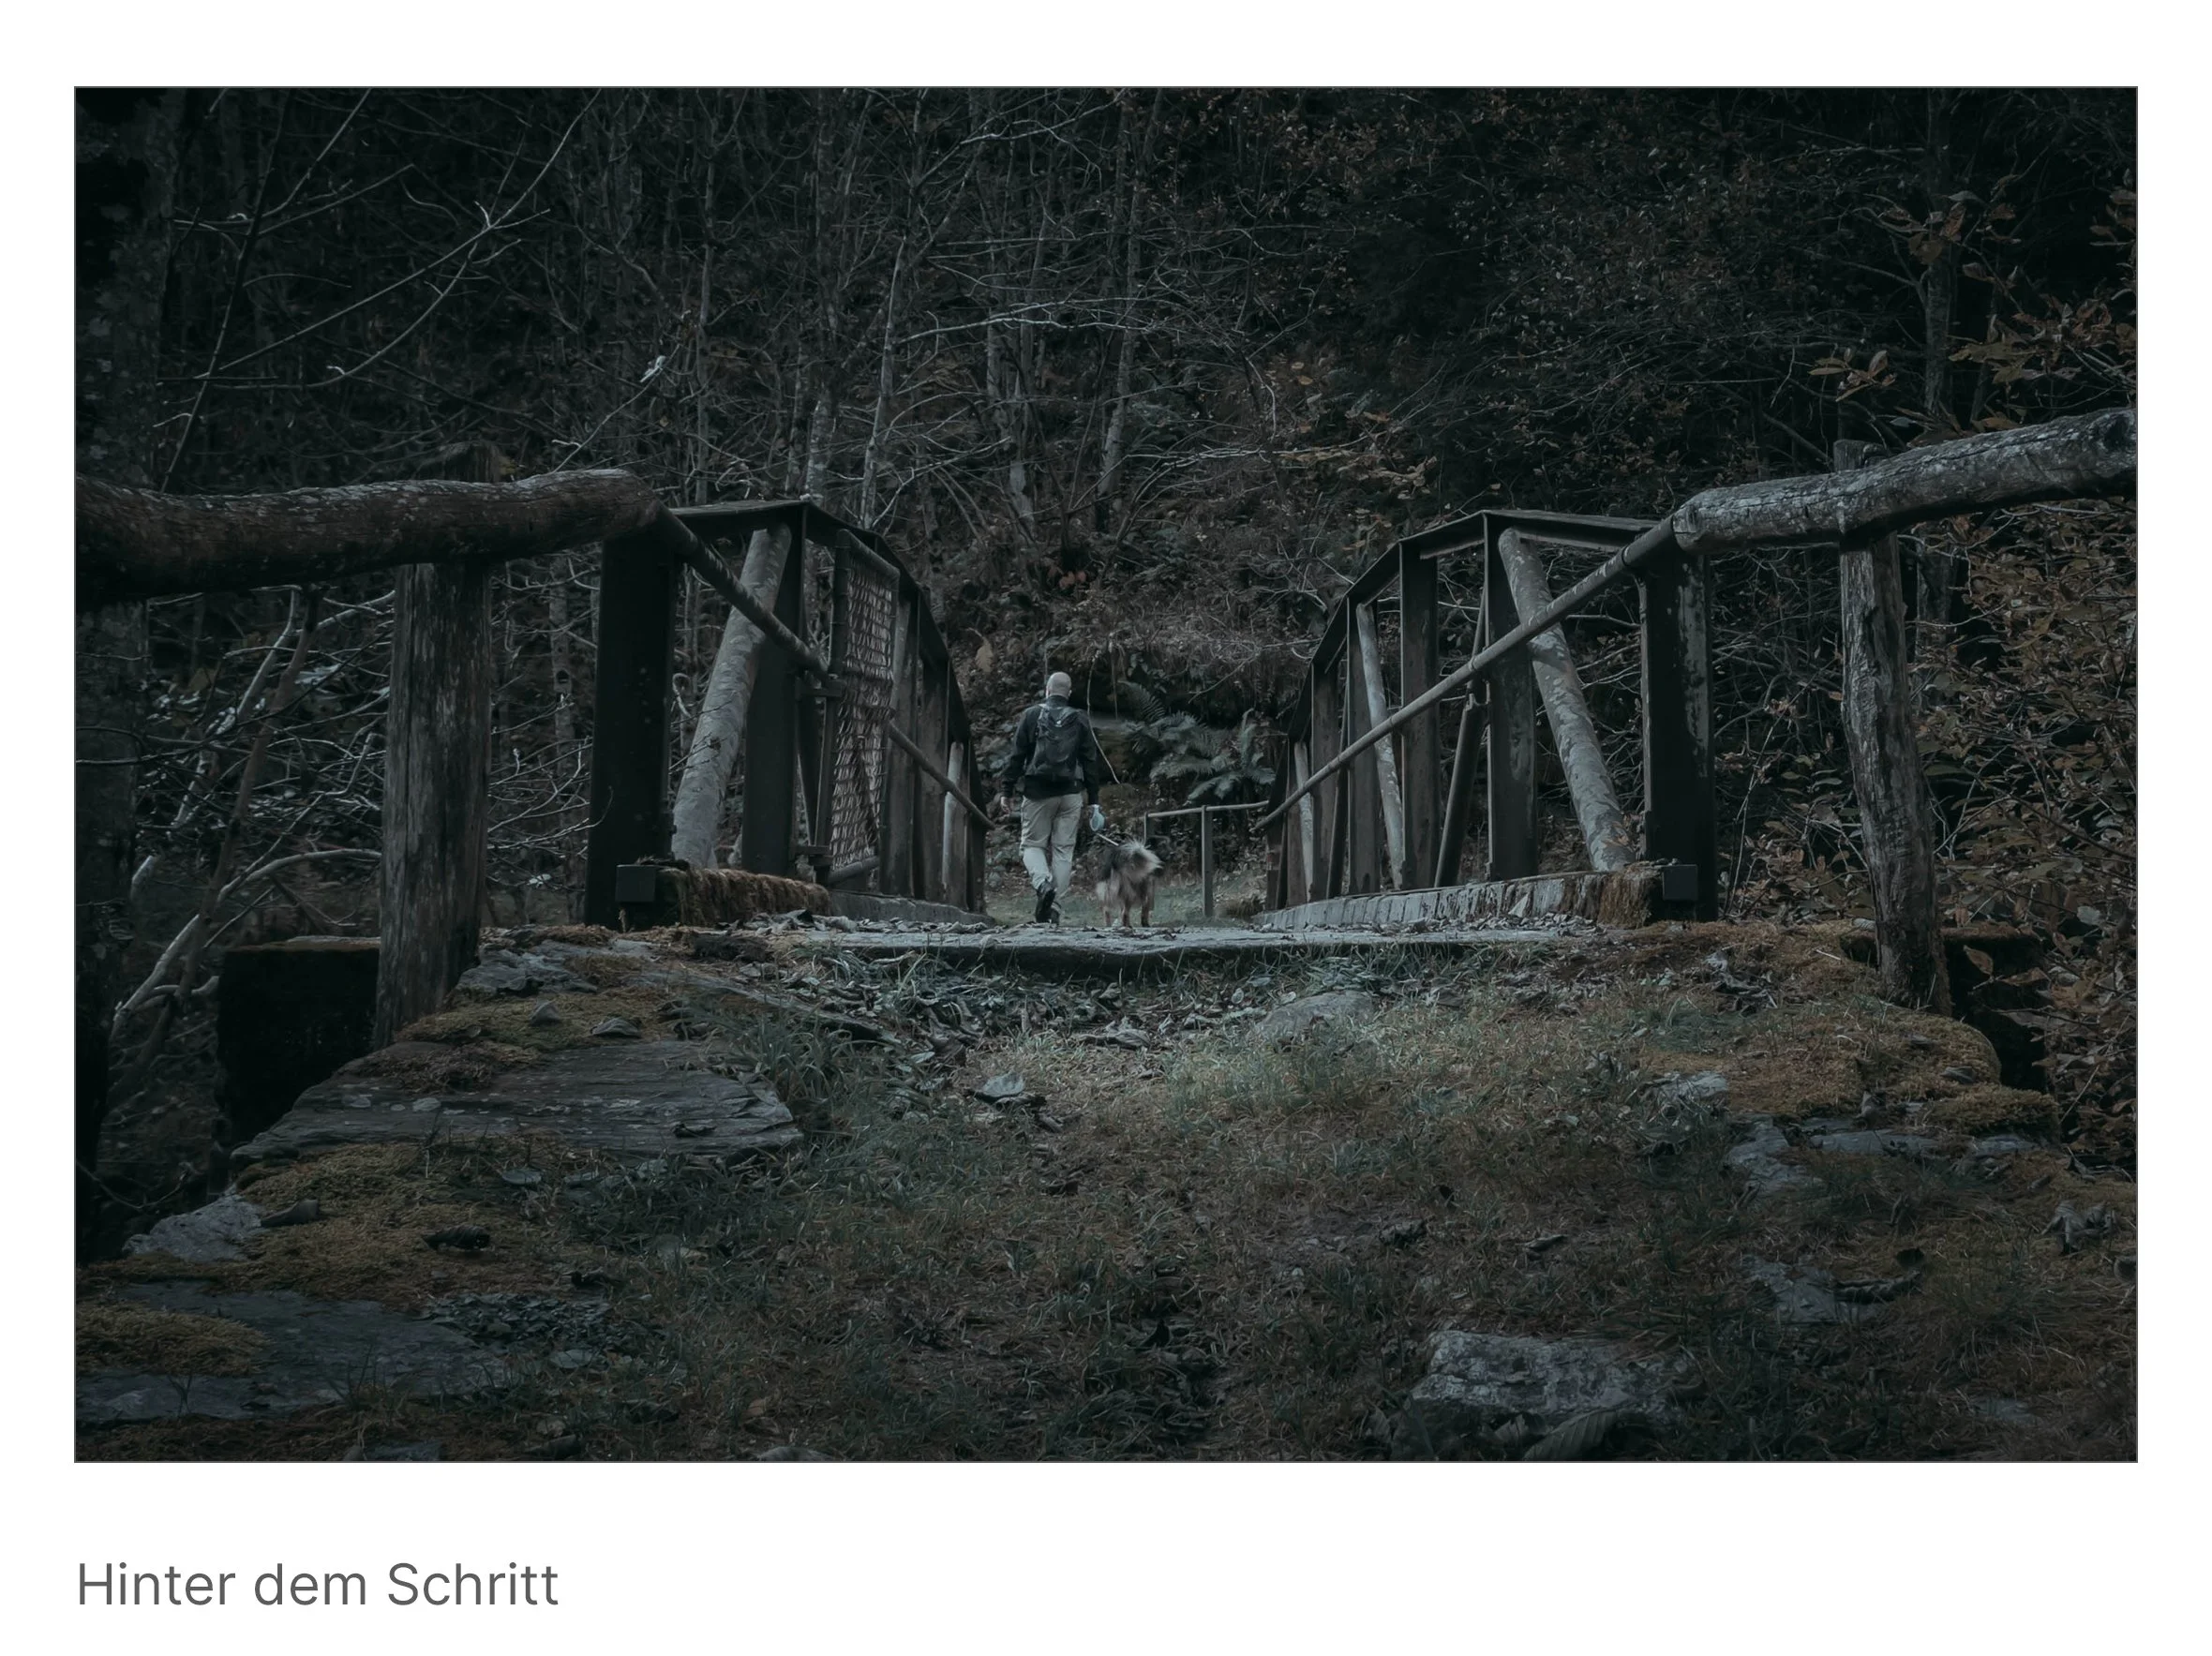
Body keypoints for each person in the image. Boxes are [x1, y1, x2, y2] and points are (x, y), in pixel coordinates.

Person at [1000, 671, 1110, 922]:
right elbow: (1091, 762)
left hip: (1038, 793)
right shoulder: (1080, 719)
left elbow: (1017, 756)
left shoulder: (1031, 715)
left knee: (1032, 845)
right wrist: (1094, 801)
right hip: (1071, 793)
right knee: (1063, 851)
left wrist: (1007, 791)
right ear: (1068, 694)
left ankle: (1042, 885)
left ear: (1047, 690)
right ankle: (1054, 910)